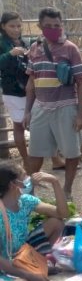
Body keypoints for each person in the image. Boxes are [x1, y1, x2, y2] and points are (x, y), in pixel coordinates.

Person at [23, 7, 82, 200]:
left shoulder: (70, 48)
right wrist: (27, 111)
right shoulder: (34, 49)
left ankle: (67, 189)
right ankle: (30, 192)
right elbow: (31, 82)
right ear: (39, 27)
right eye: (48, 26)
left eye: (57, 25)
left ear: (62, 25)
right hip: (41, 106)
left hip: (66, 105)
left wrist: (80, 114)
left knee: (71, 152)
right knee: (35, 152)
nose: (53, 29)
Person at [0, 164, 67, 281]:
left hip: (21, 254)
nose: (29, 179)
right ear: (13, 184)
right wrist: (29, 276)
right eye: (24, 176)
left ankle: (34, 266)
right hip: (4, 264)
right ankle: (30, 272)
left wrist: (55, 182)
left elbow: (62, 213)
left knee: (56, 222)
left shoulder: (25, 201)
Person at [0, 12, 31, 171]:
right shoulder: (2, 43)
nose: (16, 29)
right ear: (3, 26)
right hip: (13, 90)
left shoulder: (25, 41)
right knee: (19, 125)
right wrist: (9, 55)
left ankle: (53, 157)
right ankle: (26, 160)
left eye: (19, 25)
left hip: (32, 89)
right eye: (12, 26)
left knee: (38, 123)